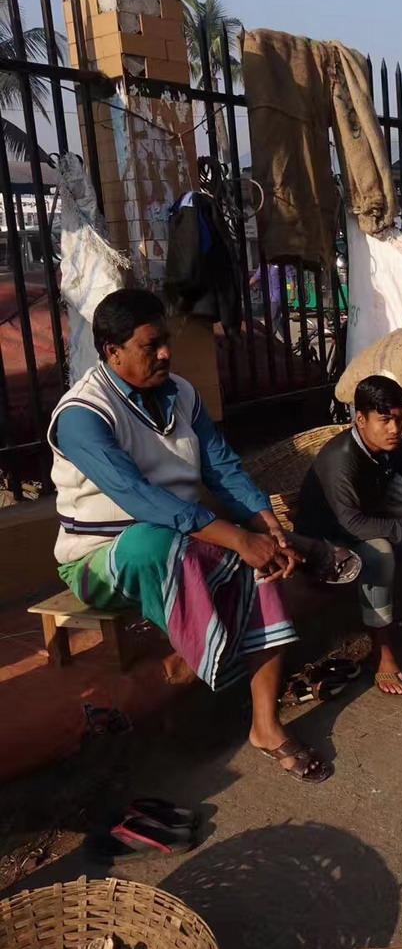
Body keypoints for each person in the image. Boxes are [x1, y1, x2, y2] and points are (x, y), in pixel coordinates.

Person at [49, 289, 328, 784]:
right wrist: (238, 540)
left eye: (166, 342)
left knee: (259, 560)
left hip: (187, 537)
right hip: (100, 560)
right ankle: (203, 660)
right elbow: (139, 498)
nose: (165, 353)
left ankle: (265, 724)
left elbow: (223, 469)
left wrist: (267, 526)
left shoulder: (181, 393)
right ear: (111, 350)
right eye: (150, 345)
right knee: (163, 543)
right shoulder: (82, 416)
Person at [293, 375, 402, 696]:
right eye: (385, 420)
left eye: (399, 419)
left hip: (370, 520)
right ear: (360, 420)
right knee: (379, 554)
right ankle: (383, 654)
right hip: (327, 540)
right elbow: (352, 524)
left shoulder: (394, 447)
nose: (394, 428)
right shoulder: (340, 459)